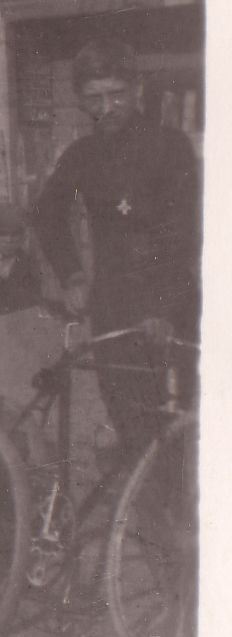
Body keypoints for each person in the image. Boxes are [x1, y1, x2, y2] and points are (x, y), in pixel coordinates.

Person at [31, 39, 200, 459]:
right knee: (131, 430)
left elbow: (184, 236)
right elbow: (46, 214)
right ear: (80, 100)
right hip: (112, 312)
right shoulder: (82, 155)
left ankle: (175, 521)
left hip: (171, 311)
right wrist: (71, 275)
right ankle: (140, 521)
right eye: (94, 98)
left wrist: (163, 310)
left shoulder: (171, 145)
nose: (106, 107)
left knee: (174, 437)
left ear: (136, 87)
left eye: (116, 94)